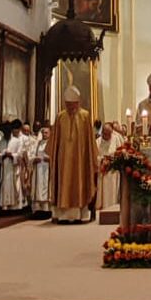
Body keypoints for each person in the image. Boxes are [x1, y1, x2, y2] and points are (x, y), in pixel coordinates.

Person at [48, 87, 99, 223]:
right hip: (63, 160)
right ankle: (63, 215)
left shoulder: (85, 116)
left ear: (78, 102)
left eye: (73, 104)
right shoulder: (60, 117)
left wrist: (92, 158)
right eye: (68, 104)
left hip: (80, 160)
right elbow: (54, 142)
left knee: (79, 182)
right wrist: (53, 156)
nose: (71, 107)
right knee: (63, 182)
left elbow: (90, 141)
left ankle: (79, 214)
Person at [0, 120, 28, 212]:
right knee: (4, 185)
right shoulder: (1, 141)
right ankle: (5, 206)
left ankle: (15, 206)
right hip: (4, 166)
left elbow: (19, 154)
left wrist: (12, 155)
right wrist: (3, 154)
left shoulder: (17, 141)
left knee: (15, 185)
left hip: (13, 166)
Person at [96, 122, 125, 209]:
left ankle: (113, 205)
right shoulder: (97, 142)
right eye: (105, 133)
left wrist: (112, 160)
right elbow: (95, 156)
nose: (106, 136)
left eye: (108, 134)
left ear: (111, 132)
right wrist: (102, 160)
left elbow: (121, 153)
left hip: (114, 170)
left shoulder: (116, 139)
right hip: (102, 170)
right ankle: (103, 206)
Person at [28, 123, 52, 217]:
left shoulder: (52, 144)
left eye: (46, 133)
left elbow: (57, 156)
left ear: (50, 133)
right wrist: (34, 159)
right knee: (37, 188)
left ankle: (47, 209)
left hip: (47, 168)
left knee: (46, 188)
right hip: (38, 168)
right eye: (43, 132)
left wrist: (51, 159)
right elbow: (31, 155)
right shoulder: (37, 144)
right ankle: (38, 210)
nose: (44, 134)